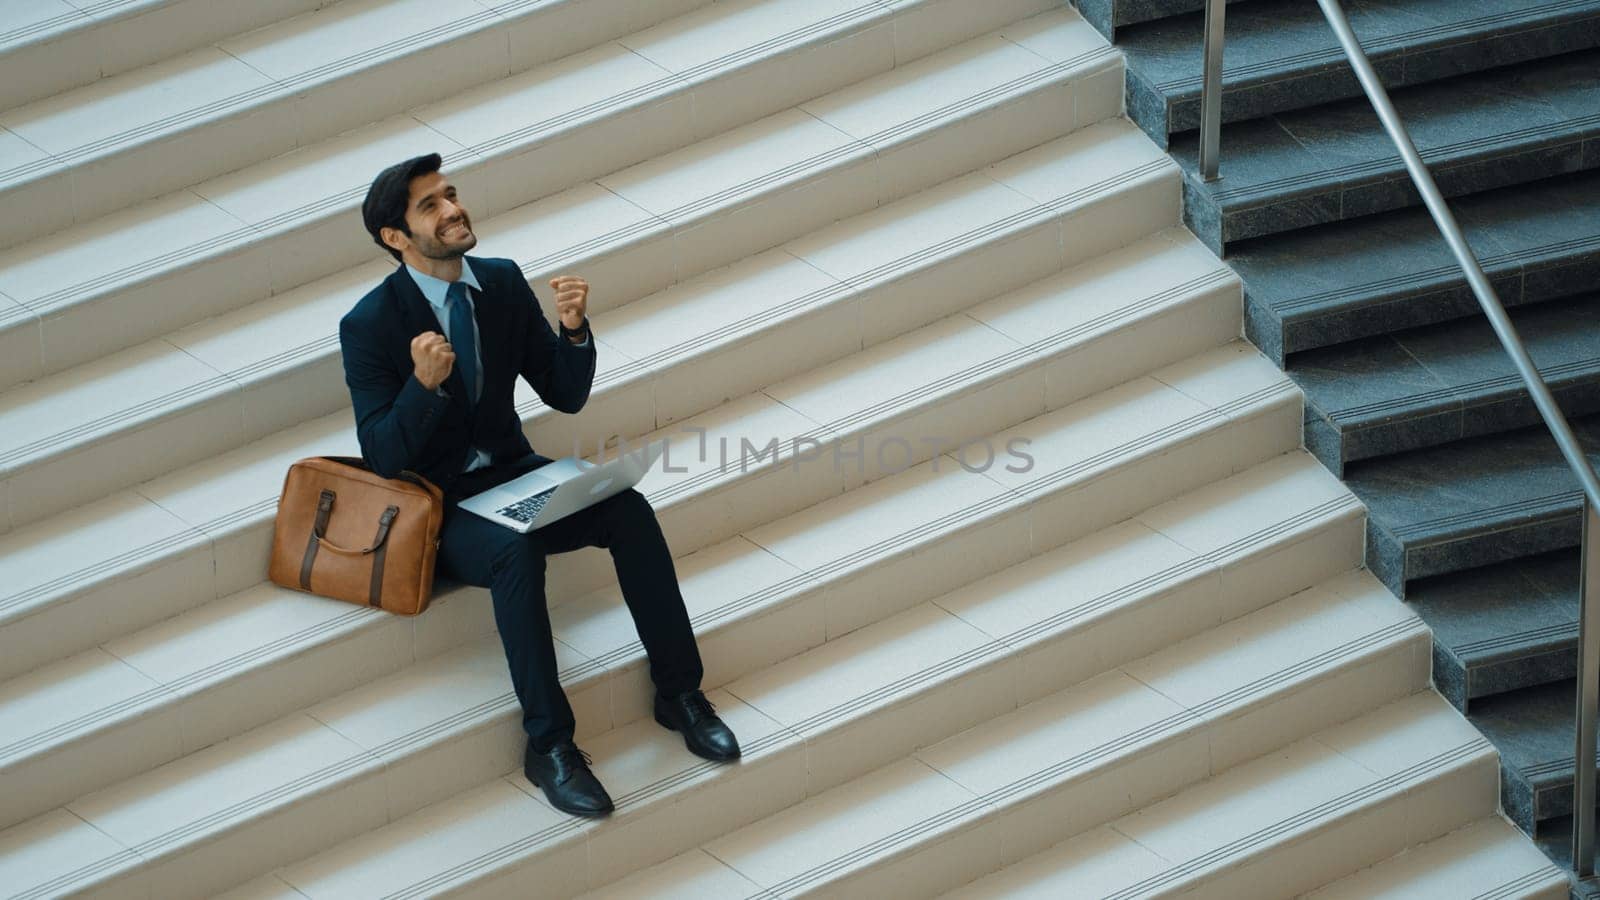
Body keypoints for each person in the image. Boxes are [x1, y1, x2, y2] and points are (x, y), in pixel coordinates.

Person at [338, 153, 739, 819]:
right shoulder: (370, 324)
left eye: (451, 195)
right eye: (430, 205)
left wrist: (574, 331)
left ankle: (680, 694)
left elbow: (565, 393)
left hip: (515, 474)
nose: (453, 209)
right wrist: (422, 388)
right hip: (443, 508)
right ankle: (550, 745)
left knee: (628, 508)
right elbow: (382, 457)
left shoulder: (499, 282)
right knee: (510, 549)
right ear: (394, 237)